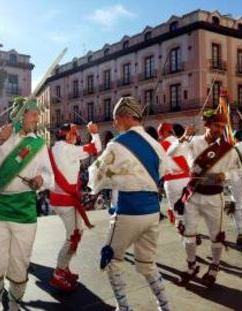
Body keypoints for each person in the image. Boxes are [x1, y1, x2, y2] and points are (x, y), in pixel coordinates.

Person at [0, 97, 54, 311]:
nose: (37, 117)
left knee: (19, 266)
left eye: (36, 113)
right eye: (33, 113)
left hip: (25, 211)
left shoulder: (38, 143)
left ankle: (14, 307)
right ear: (19, 115)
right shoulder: (0, 135)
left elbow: (49, 174)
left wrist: (40, 180)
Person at [88, 97, 172, 311]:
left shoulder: (117, 144)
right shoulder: (155, 143)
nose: (115, 123)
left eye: (116, 119)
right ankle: (165, 306)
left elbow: (96, 174)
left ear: (125, 117)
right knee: (147, 263)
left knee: (111, 259)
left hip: (128, 211)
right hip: (153, 211)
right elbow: (163, 171)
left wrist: (102, 183)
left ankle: (123, 307)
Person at [168, 110, 242, 287]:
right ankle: (191, 266)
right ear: (207, 125)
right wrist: (184, 138)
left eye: (222, 127)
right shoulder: (193, 142)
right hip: (193, 195)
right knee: (188, 233)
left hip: (214, 197)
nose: (220, 129)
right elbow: (171, 153)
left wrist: (225, 175)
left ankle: (214, 267)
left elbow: (238, 171)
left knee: (216, 235)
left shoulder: (227, 149)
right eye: (217, 125)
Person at [48, 122, 101, 291]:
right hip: (66, 201)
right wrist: (94, 133)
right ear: (68, 135)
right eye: (75, 133)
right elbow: (95, 148)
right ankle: (58, 272)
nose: (77, 136)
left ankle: (64, 267)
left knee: (76, 233)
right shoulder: (68, 149)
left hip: (60, 199)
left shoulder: (56, 148)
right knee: (73, 237)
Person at [157, 123, 190, 225]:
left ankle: (186, 236)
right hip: (188, 180)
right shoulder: (183, 142)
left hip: (172, 182)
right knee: (189, 209)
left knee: (177, 213)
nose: (159, 137)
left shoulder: (161, 146)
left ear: (164, 133)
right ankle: (191, 231)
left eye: (160, 135)